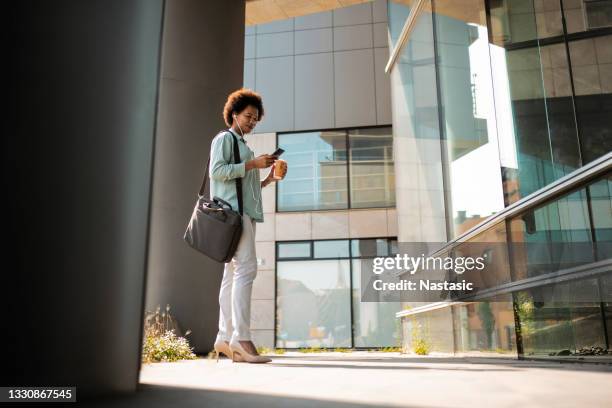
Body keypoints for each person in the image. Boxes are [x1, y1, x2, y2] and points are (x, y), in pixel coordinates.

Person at [210, 89, 286, 364]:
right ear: (233, 114)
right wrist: (252, 163)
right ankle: (240, 338)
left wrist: (267, 179)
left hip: (242, 214)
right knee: (246, 270)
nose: (252, 122)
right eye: (248, 116)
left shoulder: (242, 144)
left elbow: (244, 185)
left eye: (256, 118)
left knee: (232, 275)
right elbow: (217, 172)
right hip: (234, 215)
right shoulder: (225, 138)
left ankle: (224, 336)